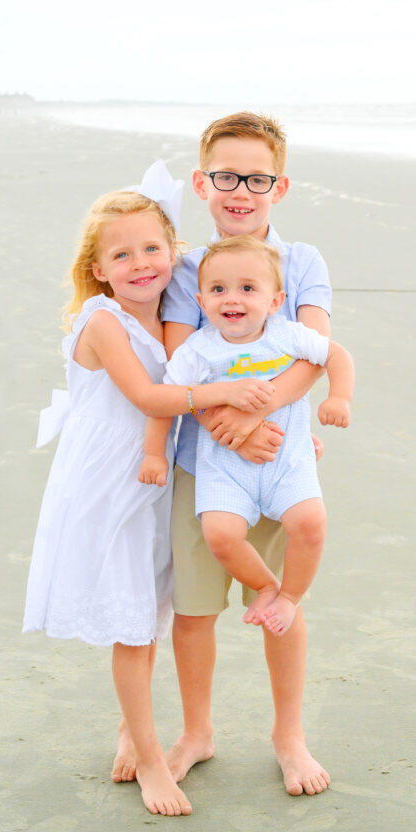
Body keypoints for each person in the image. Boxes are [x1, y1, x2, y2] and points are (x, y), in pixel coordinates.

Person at [22, 163, 273, 817]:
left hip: (154, 480)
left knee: (149, 613)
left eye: (152, 248)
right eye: (122, 254)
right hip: (113, 484)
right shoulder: (102, 322)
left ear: (173, 253)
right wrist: (222, 395)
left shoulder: (169, 314)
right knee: (133, 629)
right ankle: (154, 761)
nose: (141, 263)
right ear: (99, 267)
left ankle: (131, 729)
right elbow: (148, 395)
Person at [157, 111, 351, 796]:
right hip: (198, 462)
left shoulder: (301, 263)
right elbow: (183, 362)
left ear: (281, 185)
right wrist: (223, 425)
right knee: (194, 609)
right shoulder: (187, 268)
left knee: (281, 605)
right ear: (202, 182)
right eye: (226, 176)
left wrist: (258, 417)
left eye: (257, 178)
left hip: (274, 455)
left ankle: (289, 735)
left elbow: (314, 353)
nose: (241, 190)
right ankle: (197, 730)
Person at [139, 235, 354, 639]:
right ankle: (266, 586)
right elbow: (168, 399)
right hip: (223, 468)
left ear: (275, 301)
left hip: (285, 461)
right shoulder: (198, 351)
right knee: (220, 534)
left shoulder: (287, 334)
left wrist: (339, 397)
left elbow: (336, 354)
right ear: (201, 302)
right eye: (218, 290)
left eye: (248, 289)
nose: (231, 299)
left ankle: (289, 596)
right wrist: (154, 453)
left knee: (310, 522)